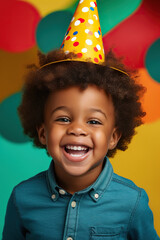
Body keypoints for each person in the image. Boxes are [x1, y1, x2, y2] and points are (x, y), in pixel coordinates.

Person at [2, 0, 160, 239]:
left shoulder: (132, 202)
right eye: (63, 118)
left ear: (114, 136)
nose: (77, 129)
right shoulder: (22, 198)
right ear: (43, 132)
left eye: (94, 121)